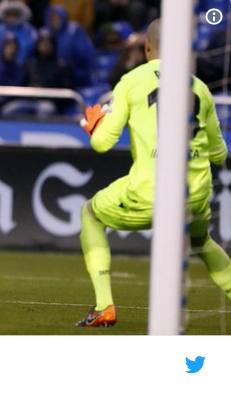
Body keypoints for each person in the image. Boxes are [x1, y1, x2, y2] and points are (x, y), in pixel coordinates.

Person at [76, 18, 231, 328]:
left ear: (147, 46)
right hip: (195, 192)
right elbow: (219, 154)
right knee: (201, 241)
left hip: (152, 191)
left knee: (90, 214)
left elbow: (102, 144)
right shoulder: (199, 87)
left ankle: (104, 306)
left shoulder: (132, 81)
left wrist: (96, 128)